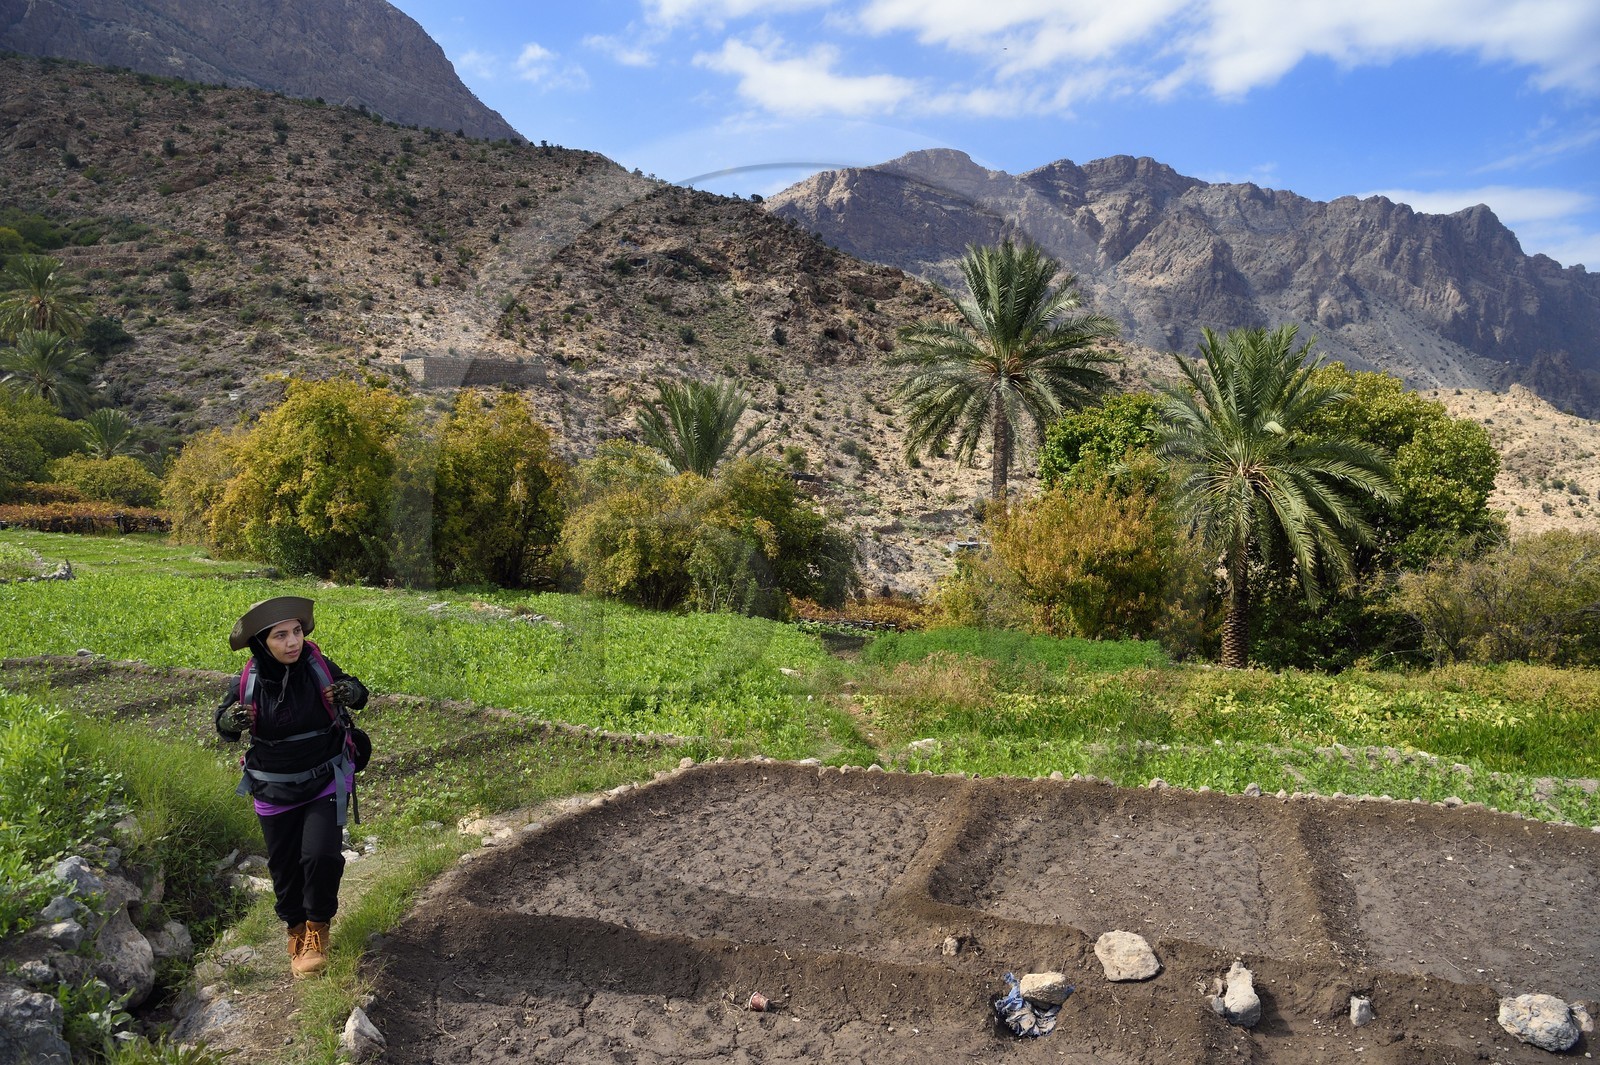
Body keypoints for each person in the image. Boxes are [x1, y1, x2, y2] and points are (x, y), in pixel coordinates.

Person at [215, 595, 368, 979]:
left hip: (324, 778)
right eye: (280, 635)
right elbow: (222, 724)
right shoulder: (247, 682)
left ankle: (317, 929)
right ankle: (296, 930)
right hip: (273, 787)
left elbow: (359, 692)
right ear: (261, 642)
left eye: (296, 631)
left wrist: (348, 692)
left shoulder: (318, 667)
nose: (292, 642)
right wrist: (232, 721)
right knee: (284, 867)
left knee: (321, 856)